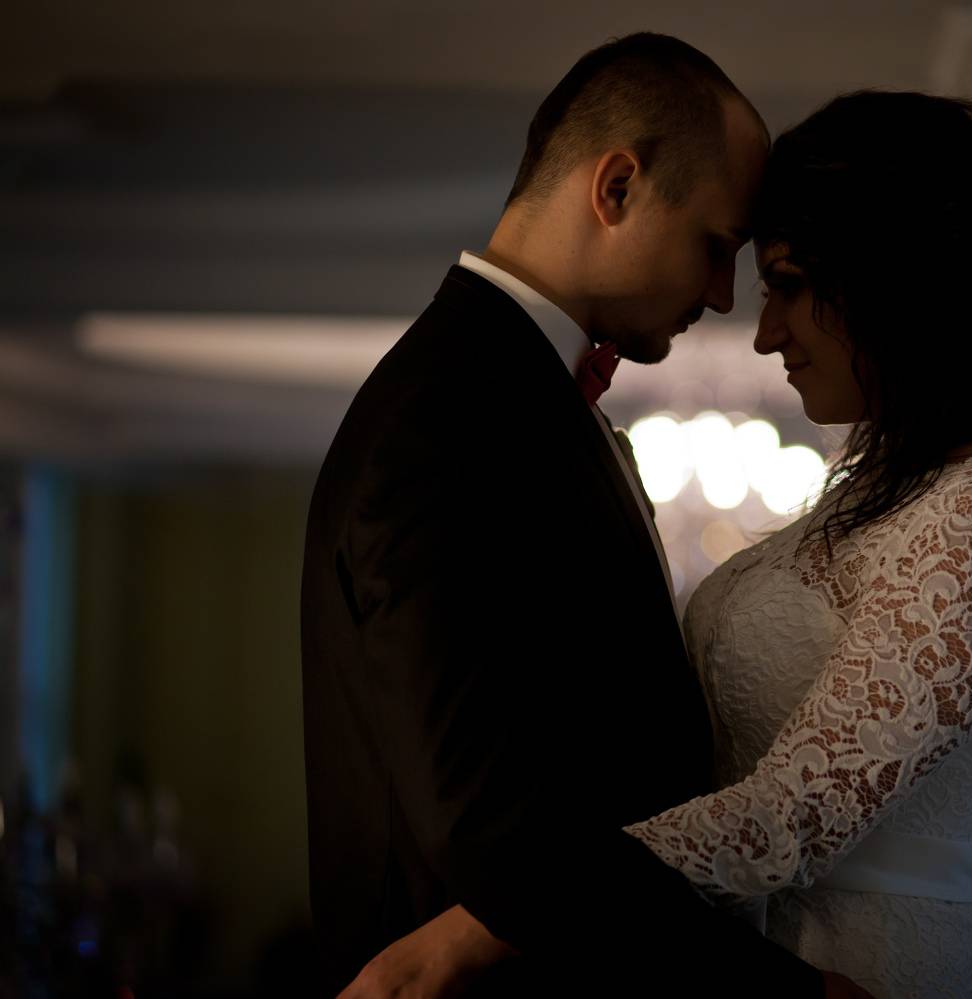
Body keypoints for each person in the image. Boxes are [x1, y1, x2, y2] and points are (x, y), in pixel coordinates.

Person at [356, 90, 972, 997]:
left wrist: (482, 927)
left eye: (789, 286)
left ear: (897, 276)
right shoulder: (892, 490)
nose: (765, 333)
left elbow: (790, 813)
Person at [302, 32, 864, 997]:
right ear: (617, 188)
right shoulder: (443, 418)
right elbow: (490, 831)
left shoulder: (521, 398)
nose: (722, 296)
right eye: (716, 247)